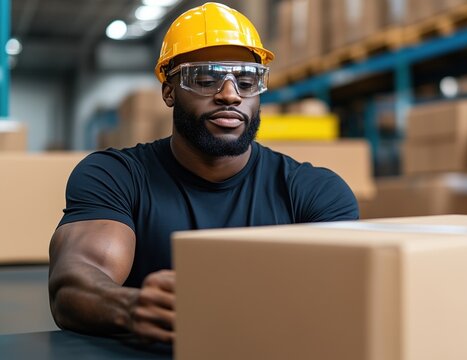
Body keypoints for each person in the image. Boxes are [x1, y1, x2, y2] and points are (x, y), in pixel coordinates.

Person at [48, 2, 358, 344]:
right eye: (206, 79)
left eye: (246, 80)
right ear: (169, 91)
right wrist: (131, 307)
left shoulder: (314, 192)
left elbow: (340, 300)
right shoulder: (115, 177)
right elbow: (72, 285)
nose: (229, 95)